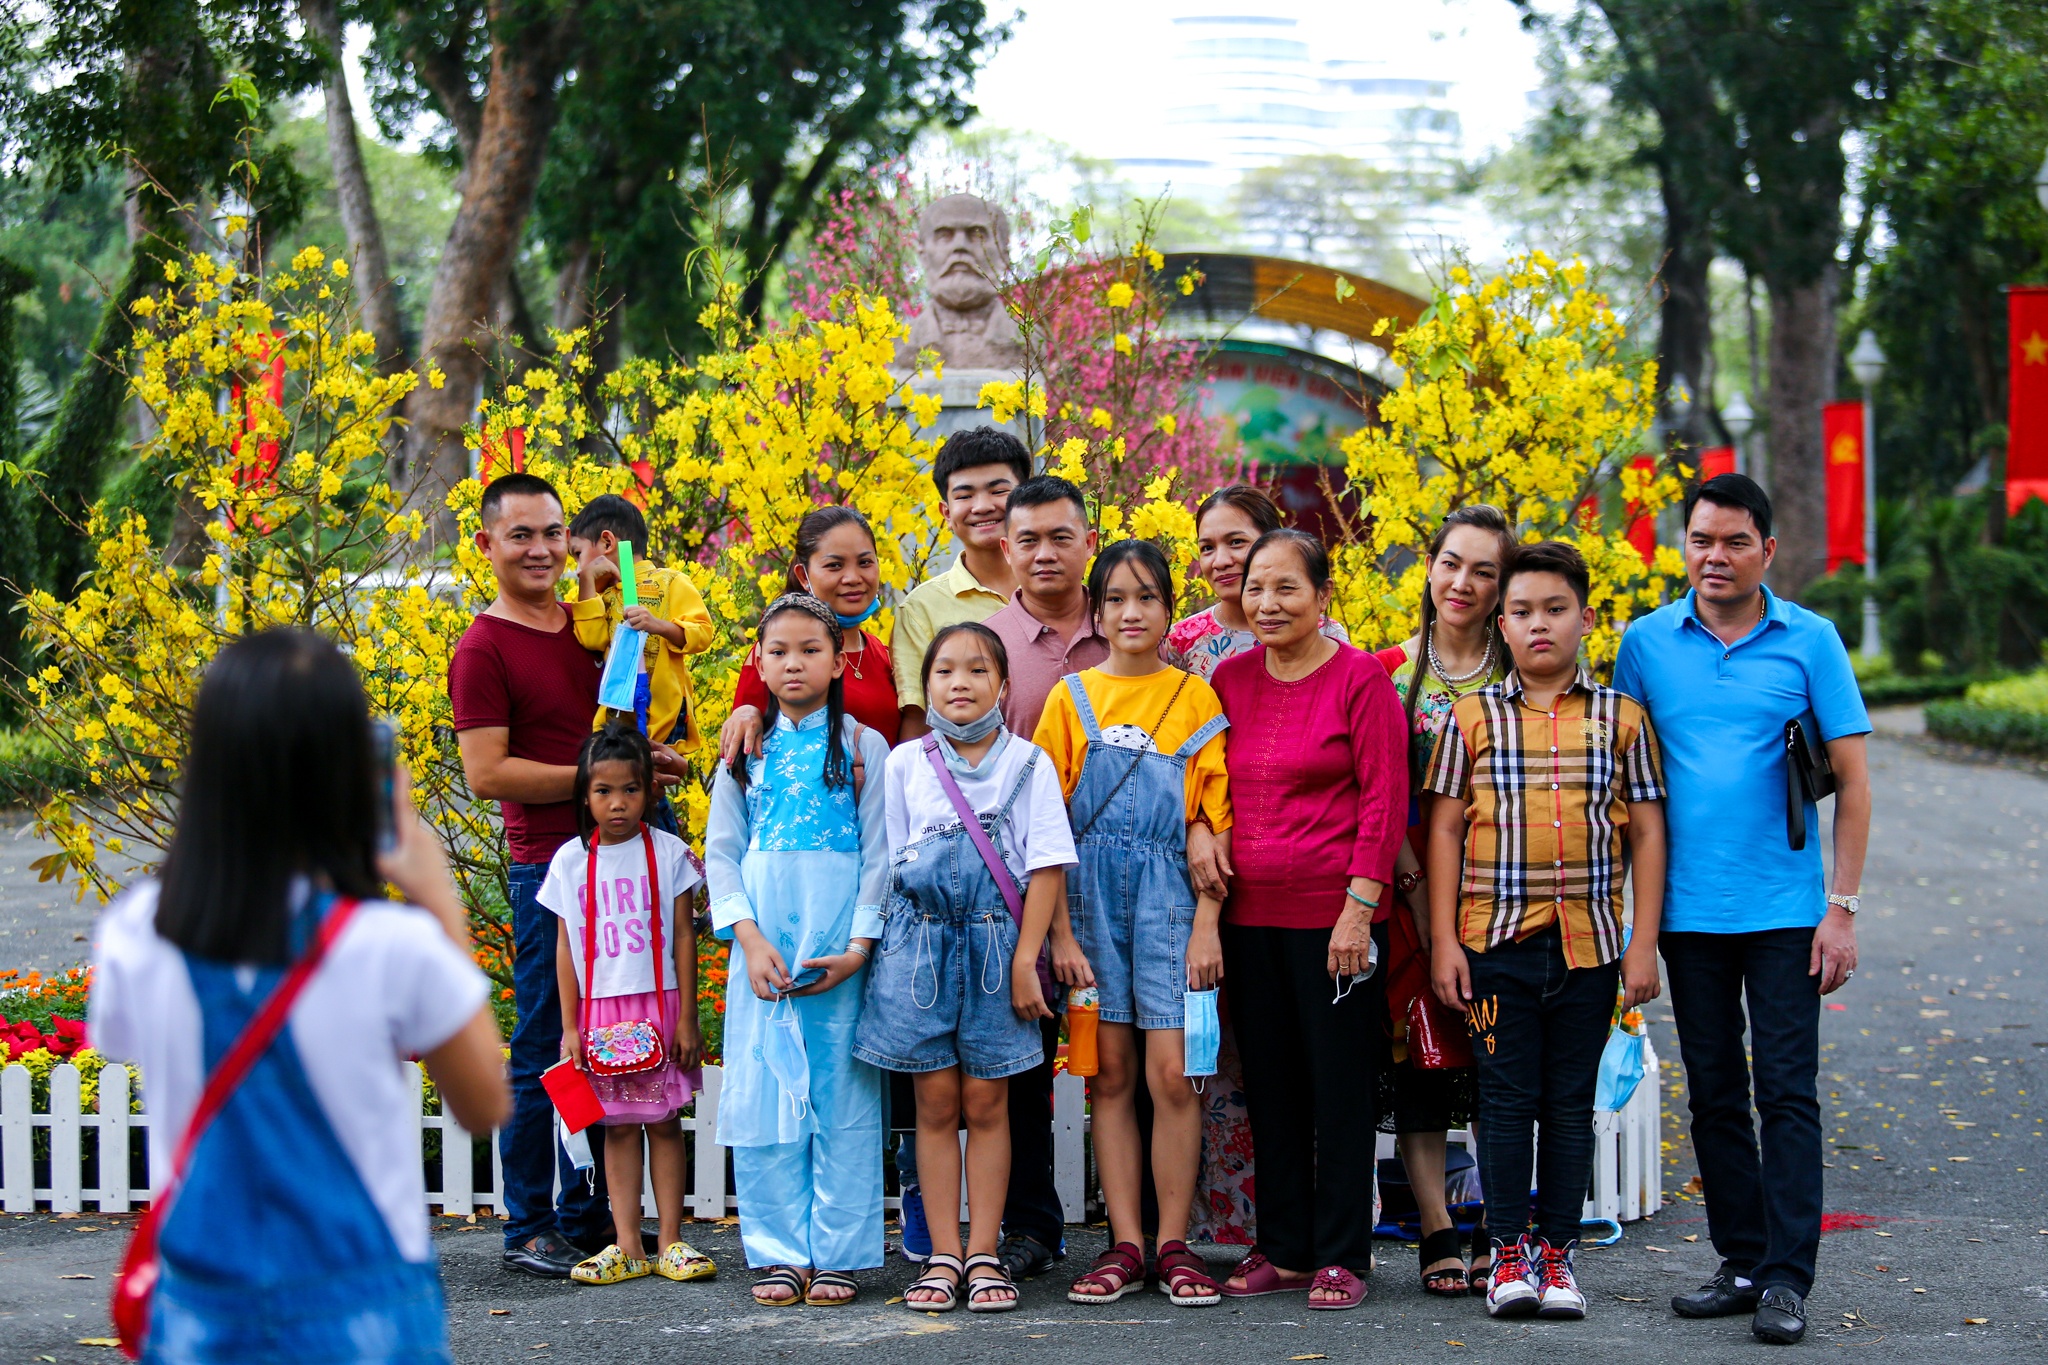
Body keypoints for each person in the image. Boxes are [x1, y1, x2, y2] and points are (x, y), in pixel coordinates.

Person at [91, 628, 510, 1362]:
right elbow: (485, 1104)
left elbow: (123, 1040)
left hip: (199, 1303)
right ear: (347, 770)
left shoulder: (135, 932)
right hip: (364, 1304)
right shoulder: (387, 945)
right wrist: (436, 894)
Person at [1611, 474, 1871, 1347]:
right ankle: (1743, 1260)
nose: (1713, 557)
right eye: (1699, 540)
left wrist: (1841, 908)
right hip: (1686, 912)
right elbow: (1627, 790)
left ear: (1767, 549)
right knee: (1716, 1095)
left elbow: (1855, 784)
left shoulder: (1811, 641)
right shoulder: (1645, 644)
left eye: (1732, 542)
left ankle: (1790, 1278)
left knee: (1786, 1093)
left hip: (1786, 912)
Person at [1423, 539, 1668, 1323]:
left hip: (1591, 945)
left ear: (1585, 619)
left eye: (1555, 610)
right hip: (1494, 945)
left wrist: (1641, 943)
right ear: (1502, 623)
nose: (1539, 626)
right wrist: (1442, 942)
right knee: (1501, 1099)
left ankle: (1557, 1252)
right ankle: (1506, 1253)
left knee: (1568, 1103)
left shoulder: (1623, 720)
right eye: (1522, 611)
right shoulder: (1472, 719)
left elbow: (1650, 834)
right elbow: (1444, 832)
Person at [853, 623, 1076, 1312]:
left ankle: (985, 1249)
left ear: (1003, 686)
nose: (959, 682)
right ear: (928, 687)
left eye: (976, 669)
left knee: (988, 1103)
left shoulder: (1029, 764)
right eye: (944, 670)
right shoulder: (903, 763)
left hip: (993, 949)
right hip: (917, 950)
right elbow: (889, 864)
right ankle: (943, 1252)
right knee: (935, 1104)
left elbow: (1044, 868)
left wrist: (1024, 961)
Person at [1210, 529, 1407, 1310]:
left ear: (1323, 596)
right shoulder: (1229, 679)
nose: (1268, 603)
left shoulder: (1361, 680)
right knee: (1272, 1087)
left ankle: (1341, 1253)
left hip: (1337, 924)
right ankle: (1284, 1246)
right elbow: (1206, 782)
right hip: (1249, 920)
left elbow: (1386, 801)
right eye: (1256, 587)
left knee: (1339, 1089)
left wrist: (1358, 911)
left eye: (1287, 587)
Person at [1034, 539, 1231, 1307]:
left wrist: (1208, 921)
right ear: (1097, 608)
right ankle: (1123, 1241)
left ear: (1168, 608)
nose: (1131, 612)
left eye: (1147, 597)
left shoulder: (1195, 699)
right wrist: (1058, 934)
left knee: (1173, 1075)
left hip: (1172, 902)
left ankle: (1174, 1243)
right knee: (1109, 1077)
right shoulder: (1069, 698)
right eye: (1115, 597)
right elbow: (1044, 827)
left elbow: (1218, 816)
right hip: (1086, 903)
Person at [1166, 483, 1348, 1248]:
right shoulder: (1186, 643)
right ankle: (1238, 1226)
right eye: (1207, 545)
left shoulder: (1326, 639)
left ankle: (1319, 1230)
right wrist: (1199, 829)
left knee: (1305, 1064)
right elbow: (1176, 754)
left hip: (1303, 878)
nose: (1221, 560)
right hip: (1209, 872)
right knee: (1225, 1060)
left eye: (1236, 542)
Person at [452, 472, 623, 1277]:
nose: (542, 549)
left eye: (554, 532)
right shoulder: (485, 646)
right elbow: (487, 772)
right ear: (486, 545)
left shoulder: (589, 627)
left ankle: (587, 1212)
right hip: (548, 869)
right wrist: (599, 778)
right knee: (545, 1046)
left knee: (607, 1037)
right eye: (521, 535)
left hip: (620, 859)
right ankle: (529, 1222)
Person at [706, 593, 893, 1308]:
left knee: (842, 1096)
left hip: (836, 946)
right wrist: (747, 939)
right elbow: (722, 853)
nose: (793, 662)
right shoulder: (744, 747)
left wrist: (857, 946)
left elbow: (879, 854)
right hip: (764, 946)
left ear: (840, 658)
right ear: (758, 659)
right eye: (778, 650)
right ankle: (781, 1254)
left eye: (811, 649)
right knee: (765, 1094)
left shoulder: (864, 746)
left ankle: (841, 1253)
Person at [1372, 504, 1514, 1297]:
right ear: (1428, 568)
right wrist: (1421, 900)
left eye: (1484, 570)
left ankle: (1499, 1217)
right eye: (1451, 563)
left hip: (1502, 891)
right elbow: (1381, 800)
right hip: (1412, 890)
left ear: (1503, 587)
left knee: (1497, 1062)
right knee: (1422, 1066)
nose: (1462, 582)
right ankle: (1434, 1225)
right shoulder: (1391, 670)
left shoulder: (1519, 671)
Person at [977, 473, 1110, 1282]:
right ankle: (1031, 1223)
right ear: (1005, 549)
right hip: (1018, 894)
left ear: (1088, 540)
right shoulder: (987, 642)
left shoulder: (1129, 628)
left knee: (1133, 1060)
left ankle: (1144, 1225)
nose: (1046, 552)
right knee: (1021, 1061)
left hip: (1132, 882)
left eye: (1062, 536)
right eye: (1028, 539)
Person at [543, 723, 715, 1287]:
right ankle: (626, 1244)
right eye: (602, 791)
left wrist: (687, 1016)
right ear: (584, 795)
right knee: (617, 1129)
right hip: (600, 1014)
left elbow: (686, 934)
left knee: (664, 1122)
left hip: (660, 1006)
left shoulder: (670, 854)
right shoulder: (569, 862)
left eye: (631, 790)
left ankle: (669, 1241)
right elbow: (565, 948)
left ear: (650, 790)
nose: (618, 803)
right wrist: (570, 1027)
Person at [720, 506, 902, 762]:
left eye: (865, 563)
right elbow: (745, 751)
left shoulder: (884, 654)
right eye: (834, 565)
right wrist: (746, 712)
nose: (853, 577)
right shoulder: (777, 655)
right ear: (803, 577)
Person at [892, 427, 1028, 740]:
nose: (981, 506)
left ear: (1025, 496)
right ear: (946, 513)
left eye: (998, 491)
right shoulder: (920, 610)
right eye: (965, 496)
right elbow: (918, 721)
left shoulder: (1057, 587)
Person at [567, 494, 716, 752]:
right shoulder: (602, 597)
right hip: (618, 716)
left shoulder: (670, 581)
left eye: (578, 554)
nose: (579, 568)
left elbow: (702, 633)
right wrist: (588, 584)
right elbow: (592, 638)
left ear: (606, 542)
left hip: (663, 718)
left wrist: (659, 625)